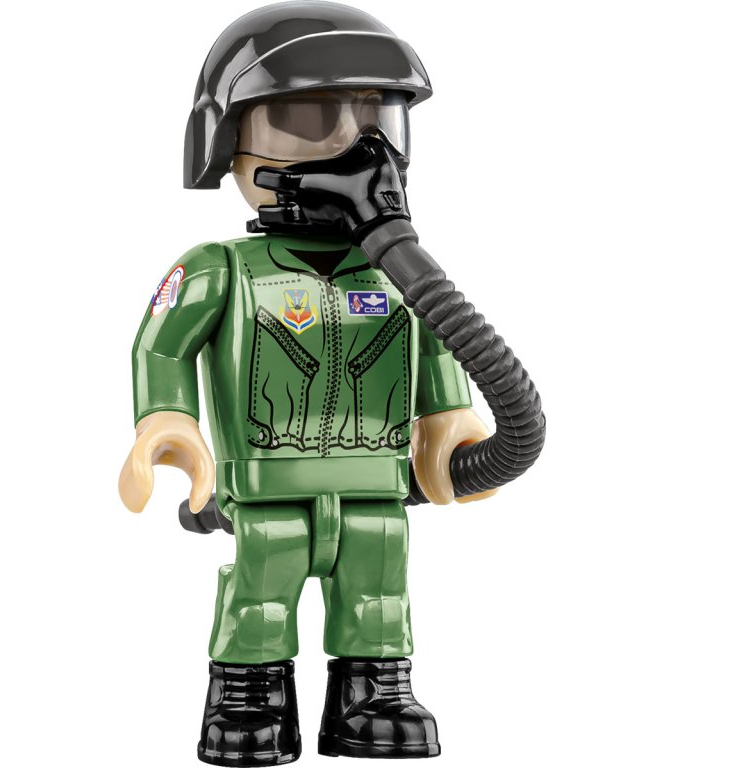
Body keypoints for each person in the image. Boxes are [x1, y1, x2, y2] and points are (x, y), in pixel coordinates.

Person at [118, 3, 498, 764]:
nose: (363, 149)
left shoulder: (401, 274)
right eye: (310, 117)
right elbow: (162, 349)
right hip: (269, 489)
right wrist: (167, 421)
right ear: (225, 143)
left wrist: (451, 421)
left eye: (381, 117)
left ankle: (375, 693)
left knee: (379, 589)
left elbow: (441, 338)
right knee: (261, 590)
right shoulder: (217, 270)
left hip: (375, 484)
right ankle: (247, 696)